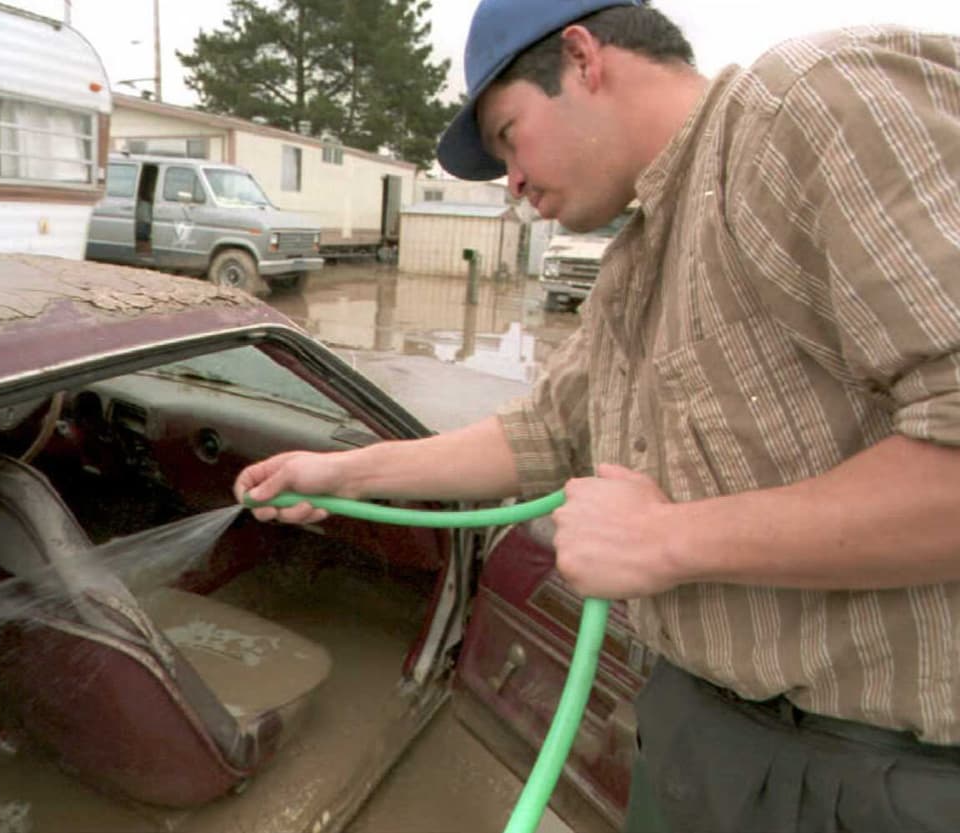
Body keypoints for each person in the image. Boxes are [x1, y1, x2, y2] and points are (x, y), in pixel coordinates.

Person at [234, 0, 960, 830]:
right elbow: (539, 437)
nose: (511, 182)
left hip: (871, 774)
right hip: (698, 735)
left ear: (582, 57)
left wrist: (667, 538)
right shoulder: (634, 267)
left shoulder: (808, 107)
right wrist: (339, 471)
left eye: (508, 134)